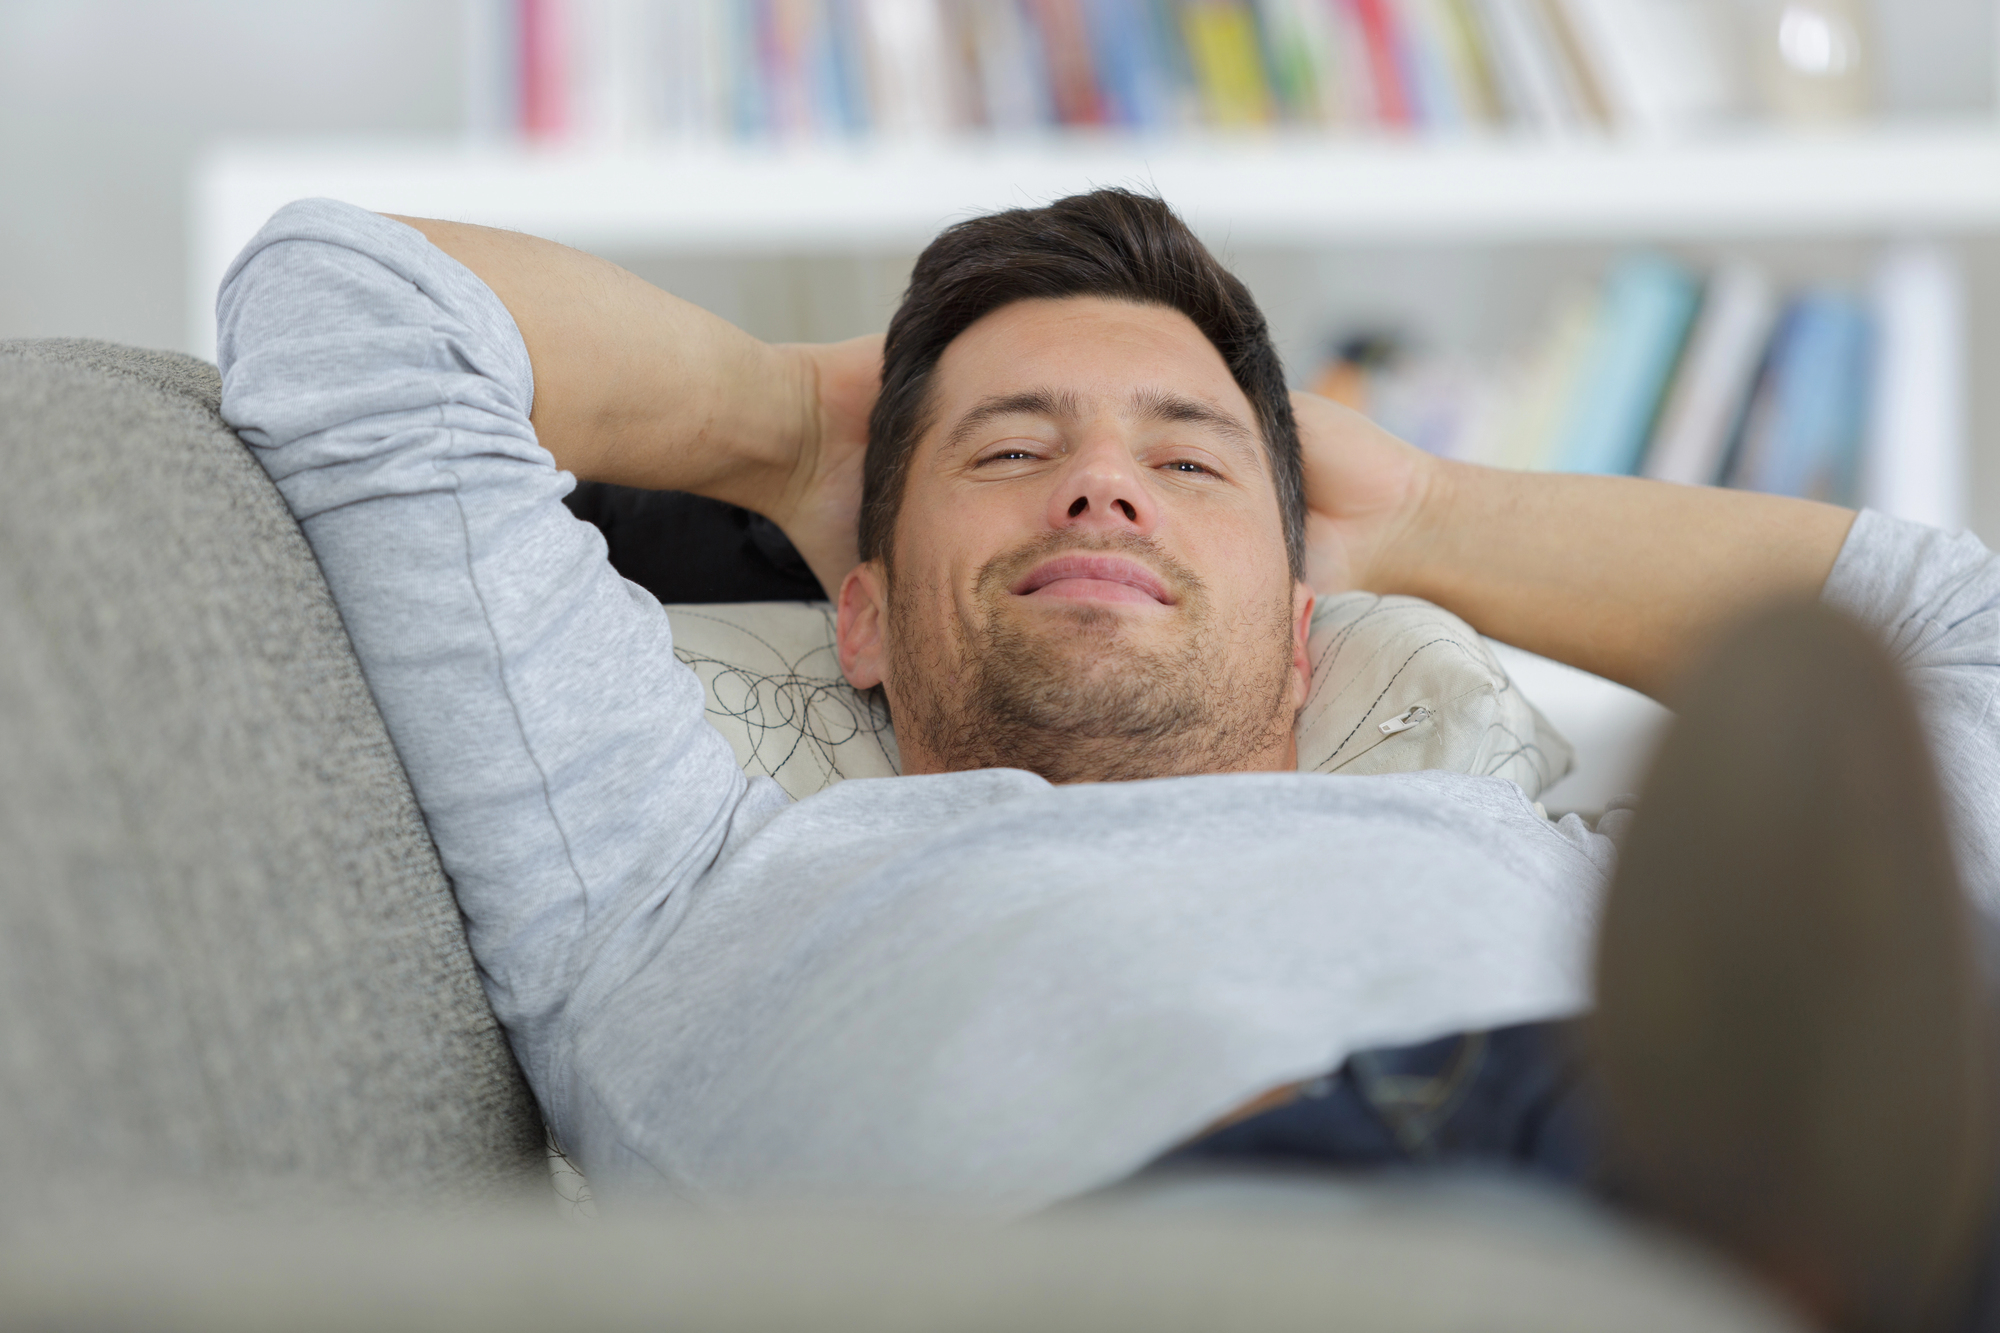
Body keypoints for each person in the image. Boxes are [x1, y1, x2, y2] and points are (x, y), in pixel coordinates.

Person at [217, 189, 2000, 1328]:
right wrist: (801, 424)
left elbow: (1967, 631)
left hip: (1635, 1093)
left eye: (1190, 462)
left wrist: (1425, 509)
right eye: (1009, 451)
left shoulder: (1520, 847)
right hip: (1185, 1234)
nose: (1099, 485)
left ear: (1304, 634)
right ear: (858, 617)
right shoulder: (667, 873)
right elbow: (352, 301)